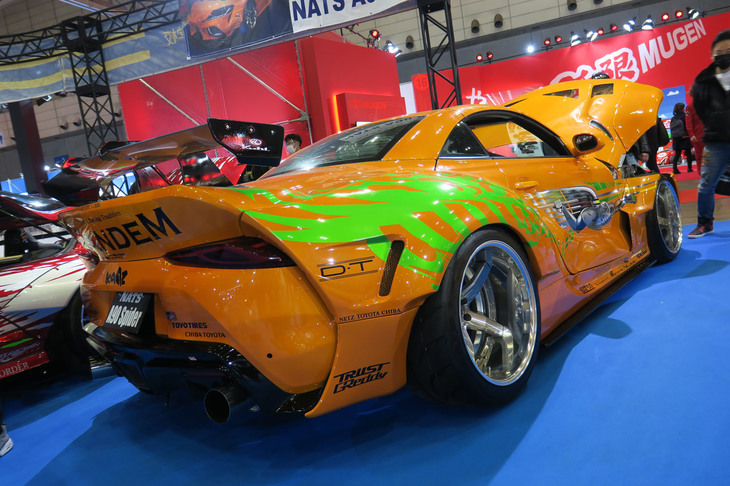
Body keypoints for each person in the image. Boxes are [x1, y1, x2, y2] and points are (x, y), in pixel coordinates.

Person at [688, 29, 730, 238]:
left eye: (728, 51)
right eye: (719, 52)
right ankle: (705, 223)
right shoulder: (703, 80)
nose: (724, 55)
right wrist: (715, 123)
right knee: (706, 184)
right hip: (715, 141)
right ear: (712, 55)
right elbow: (700, 108)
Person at [669, 103, 696, 174]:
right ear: (682, 108)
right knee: (688, 153)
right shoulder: (685, 116)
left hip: (676, 138)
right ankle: (689, 168)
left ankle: (675, 169)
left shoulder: (673, 118)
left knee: (677, 154)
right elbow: (688, 125)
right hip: (685, 137)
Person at [685, 98, 705, 173]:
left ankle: (707, 170)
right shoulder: (690, 107)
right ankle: (701, 171)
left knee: (708, 153)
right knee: (700, 154)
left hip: (707, 133)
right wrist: (692, 134)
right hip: (697, 135)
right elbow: (688, 122)